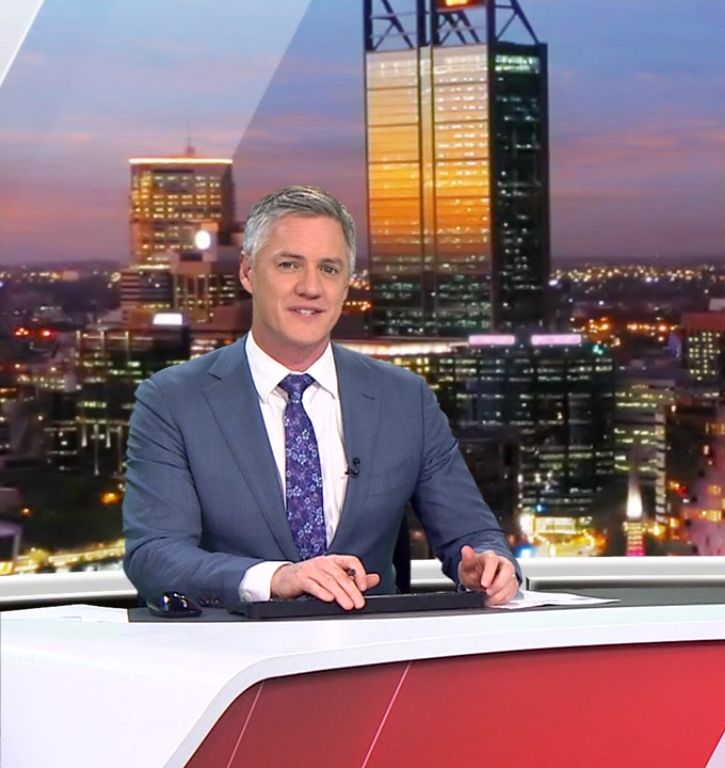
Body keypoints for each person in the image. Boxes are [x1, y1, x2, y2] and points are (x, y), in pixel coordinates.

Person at [123, 186, 520, 608]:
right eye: (289, 264)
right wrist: (276, 578)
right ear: (248, 273)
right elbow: (154, 555)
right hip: (233, 643)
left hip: (372, 646)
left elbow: (471, 534)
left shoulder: (405, 399)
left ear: (346, 285)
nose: (311, 287)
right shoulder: (172, 401)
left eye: (329, 269)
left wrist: (489, 566)